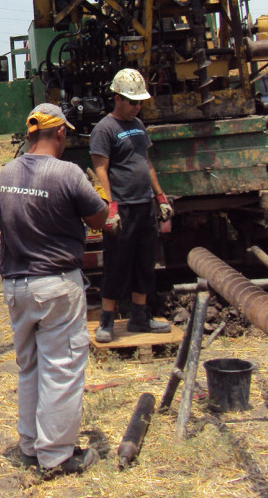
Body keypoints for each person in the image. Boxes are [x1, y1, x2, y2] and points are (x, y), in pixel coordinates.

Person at [0, 103, 108, 476]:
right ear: (60, 133)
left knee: (30, 366)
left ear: (30, 134)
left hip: (15, 285)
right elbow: (99, 218)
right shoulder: (68, 174)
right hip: (55, 286)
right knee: (63, 367)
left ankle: (30, 444)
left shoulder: (5, 174)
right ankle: (57, 455)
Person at [89, 68, 174, 343]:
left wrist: (159, 197)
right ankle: (106, 321)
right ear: (117, 99)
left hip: (143, 205)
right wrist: (110, 207)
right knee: (116, 263)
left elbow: (145, 163)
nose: (137, 107)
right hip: (122, 208)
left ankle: (140, 316)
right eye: (132, 102)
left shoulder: (138, 125)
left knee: (144, 262)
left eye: (140, 102)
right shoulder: (105, 129)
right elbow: (100, 169)